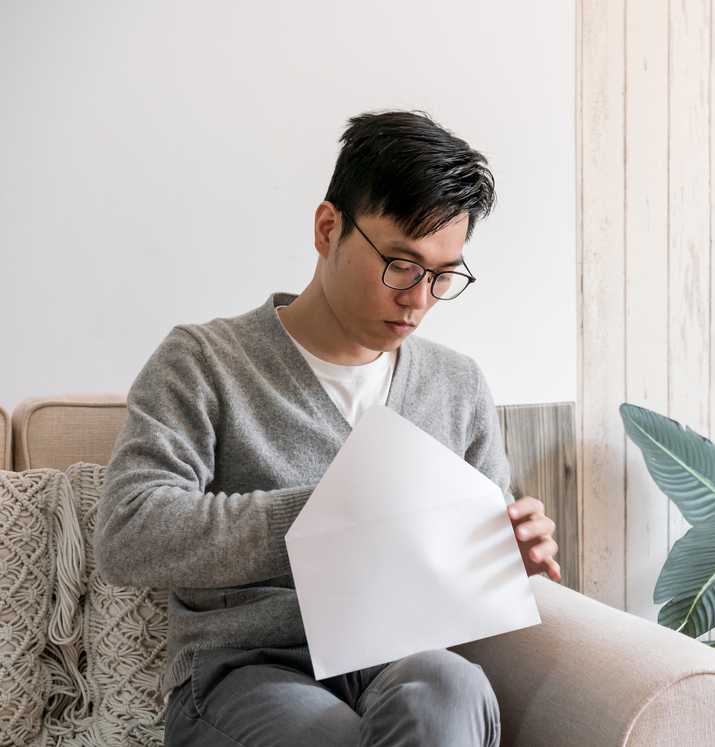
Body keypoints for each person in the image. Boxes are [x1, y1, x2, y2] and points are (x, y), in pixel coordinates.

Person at [96, 109, 562, 747]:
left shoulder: (458, 385)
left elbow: (468, 567)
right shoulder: (204, 362)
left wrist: (510, 553)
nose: (418, 298)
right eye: (400, 264)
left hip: (401, 662)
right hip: (246, 672)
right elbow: (129, 534)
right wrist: (326, 517)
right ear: (327, 228)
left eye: (443, 274)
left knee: (453, 691)